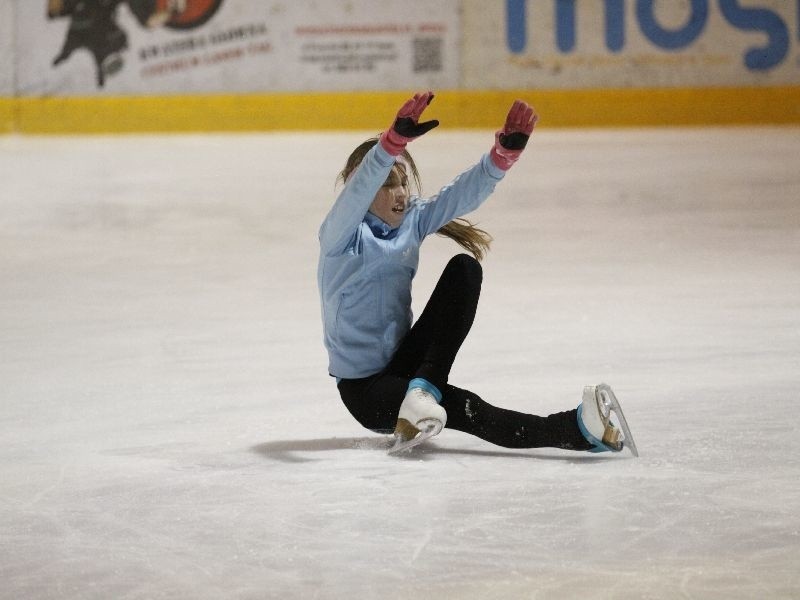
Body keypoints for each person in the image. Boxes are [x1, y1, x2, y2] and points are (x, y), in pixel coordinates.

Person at [317, 91, 635, 455]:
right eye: (387, 184)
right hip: (367, 392)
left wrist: (501, 158)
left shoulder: (411, 222)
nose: (401, 192)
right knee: (467, 408)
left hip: (405, 364)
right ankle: (575, 430)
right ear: (362, 190)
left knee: (465, 268)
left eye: (403, 181)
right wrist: (391, 144)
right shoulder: (340, 238)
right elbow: (354, 193)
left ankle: (424, 390)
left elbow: (459, 195)